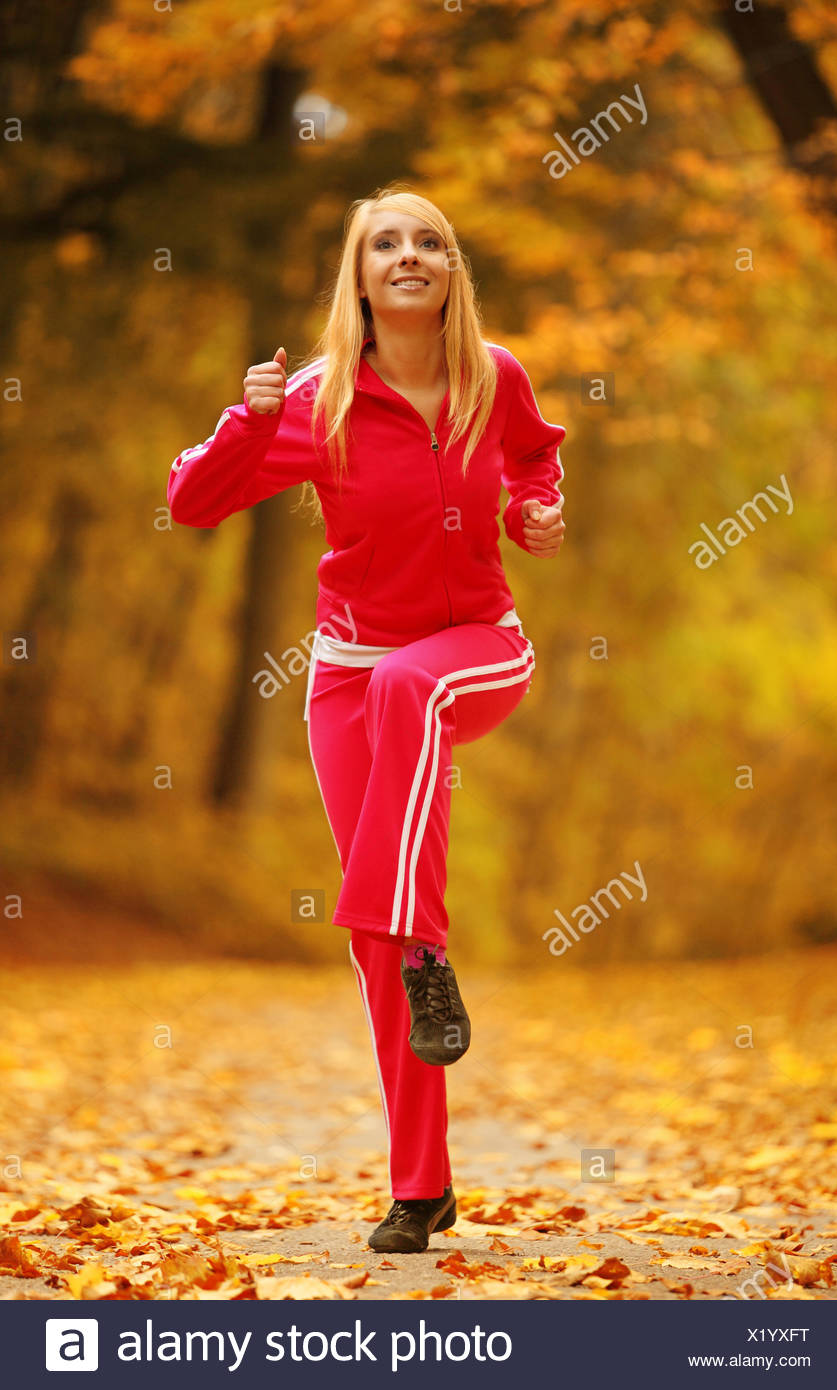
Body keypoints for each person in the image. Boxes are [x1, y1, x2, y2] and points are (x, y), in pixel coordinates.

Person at [166, 187, 566, 1254]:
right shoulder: (318, 398)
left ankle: (422, 945)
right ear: (359, 276)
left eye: (427, 241)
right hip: (346, 677)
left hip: (477, 651)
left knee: (410, 691)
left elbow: (535, 456)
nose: (407, 254)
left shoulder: (494, 378)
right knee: (380, 939)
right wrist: (247, 420)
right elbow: (193, 502)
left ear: (450, 271)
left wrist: (536, 510)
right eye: (383, 243)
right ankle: (420, 1186)